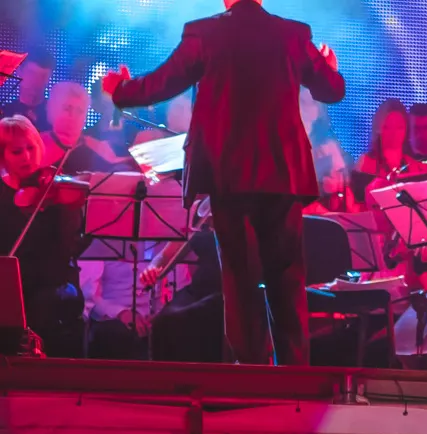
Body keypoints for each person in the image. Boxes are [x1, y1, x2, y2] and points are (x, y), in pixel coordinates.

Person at [103, 0, 346, 367]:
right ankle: (295, 378)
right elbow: (332, 90)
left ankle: (250, 375)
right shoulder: (294, 34)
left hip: (228, 174)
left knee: (240, 279)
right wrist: (330, 69)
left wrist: (120, 89)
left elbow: (160, 84)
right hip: (282, 174)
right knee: (287, 281)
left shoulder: (204, 33)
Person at [0, 116, 86, 357]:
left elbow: (70, 247)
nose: (27, 157)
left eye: (31, 148)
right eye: (17, 152)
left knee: (41, 305)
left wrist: (68, 210)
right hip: (10, 283)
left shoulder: (53, 189)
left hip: (52, 281)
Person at [353, 99, 427, 207]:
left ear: (407, 129)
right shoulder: (365, 163)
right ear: (378, 128)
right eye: (387, 127)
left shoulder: (416, 167)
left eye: (399, 127)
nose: (393, 133)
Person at [41, 82, 123, 174]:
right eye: (67, 109)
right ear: (51, 109)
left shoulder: (98, 149)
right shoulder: (35, 145)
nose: (73, 116)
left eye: (79, 111)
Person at [1, 50, 53, 131]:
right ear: (19, 72)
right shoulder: (4, 114)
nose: (36, 81)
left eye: (43, 76)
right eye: (31, 73)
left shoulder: (56, 116)